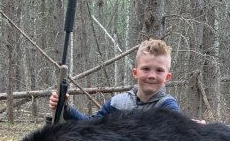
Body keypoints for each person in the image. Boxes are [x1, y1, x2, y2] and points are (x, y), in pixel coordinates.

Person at [49, 39, 180, 120]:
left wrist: (198, 128)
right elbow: (91, 125)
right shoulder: (117, 103)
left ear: (167, 77)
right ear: (135, 73)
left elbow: (180, 133)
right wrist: (64, 107)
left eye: (159, 70)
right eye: (146, 69)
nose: (152, 75)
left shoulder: (167, 107)